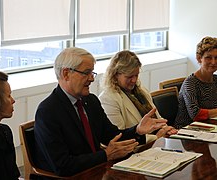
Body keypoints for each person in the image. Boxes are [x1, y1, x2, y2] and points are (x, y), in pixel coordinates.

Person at [34, 47, 168, 177]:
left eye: (92, 73)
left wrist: (137, 130)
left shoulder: (90, 101)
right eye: (86, 73)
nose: (92, 78)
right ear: (66, 74)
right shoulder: (48, 112)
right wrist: (106, 155)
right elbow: (63, 166)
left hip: (99, 171)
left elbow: (112, 135)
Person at [99, 50, 177, 144]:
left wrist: (166, 129)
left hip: (153, 144)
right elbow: (119, 138)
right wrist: (156, 137)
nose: (134, 80)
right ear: (115, 75)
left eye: (136, 75)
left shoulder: (141, 91)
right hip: (135, 150)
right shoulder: (108, 99)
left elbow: (157, 119)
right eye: (129, 76)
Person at [174, 36, 217, 129]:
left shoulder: (215, 80)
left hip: (209, 128)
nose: (213, 62)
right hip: (186, 131)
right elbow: (196, 114)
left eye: (216, 57)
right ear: (199, 58)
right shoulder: (190, 83)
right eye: (208, 57)